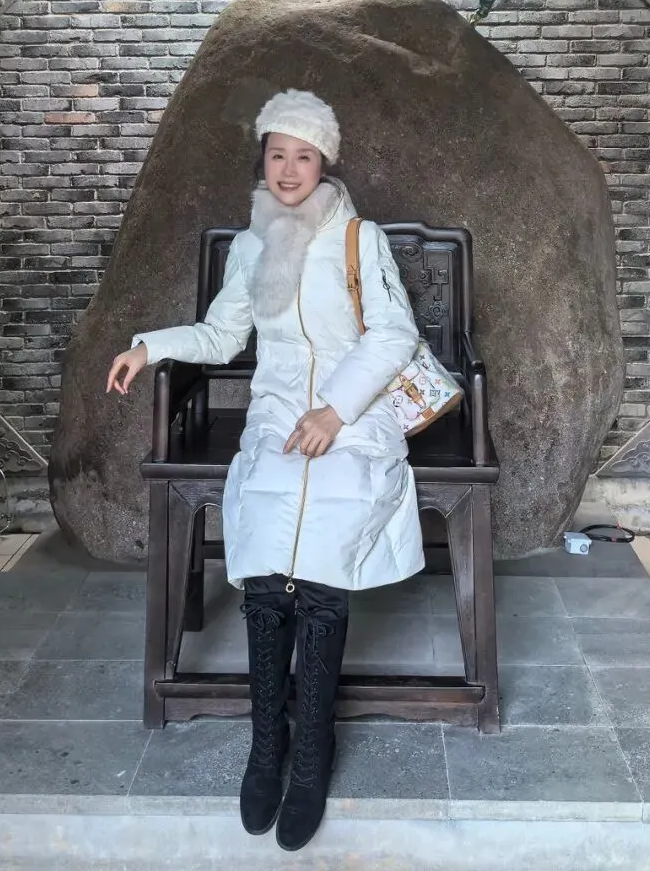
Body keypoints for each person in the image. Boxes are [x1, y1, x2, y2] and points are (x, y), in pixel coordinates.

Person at [106, 89, 424, 852]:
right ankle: (266, 743)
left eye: (303, 156)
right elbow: (222, 336)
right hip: (279, 416)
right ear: (263, 159)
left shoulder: (360, 238)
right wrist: (150, 346)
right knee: (263, 566)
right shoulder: (251, 247)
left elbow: (395, 335)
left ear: (325, 163)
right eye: (277, 154)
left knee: (321, 569)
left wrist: (336, 412)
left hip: (354, 417)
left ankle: (310, 754)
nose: (288, 169)